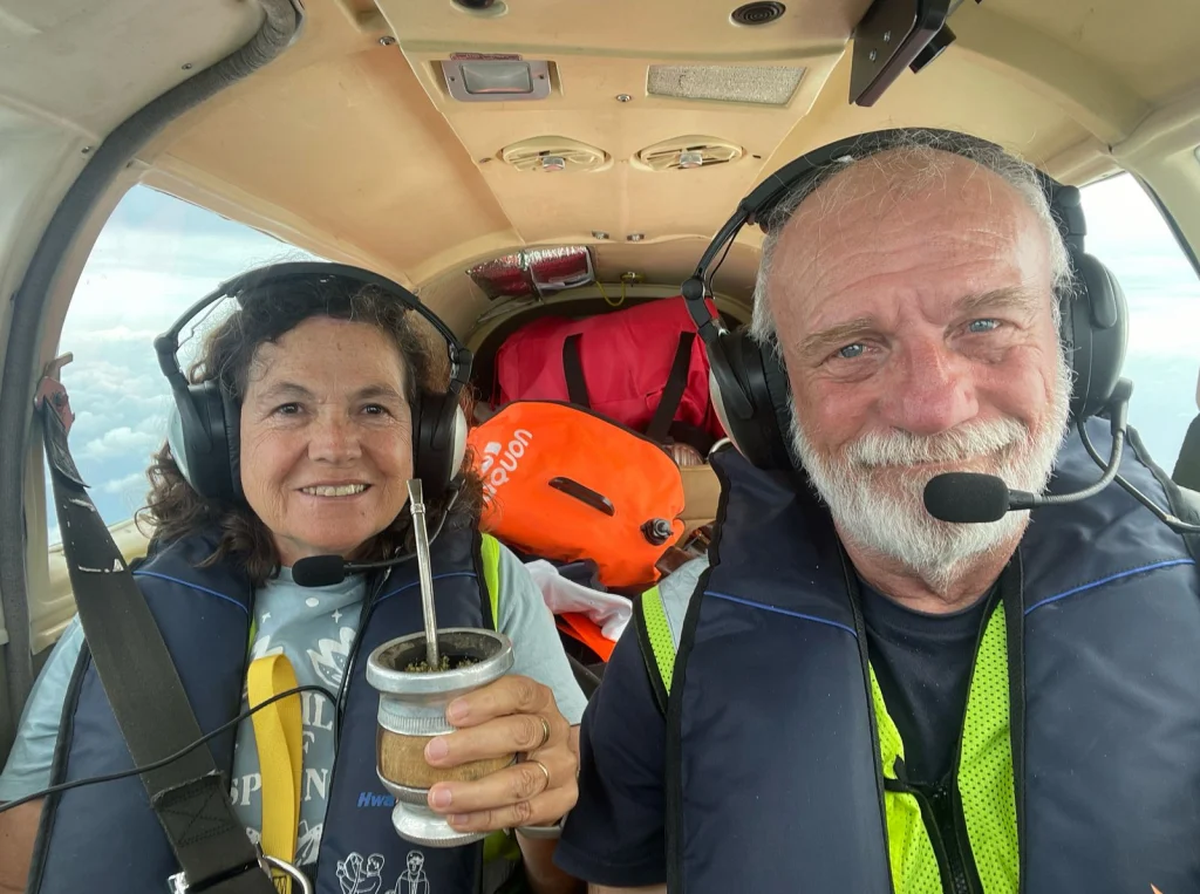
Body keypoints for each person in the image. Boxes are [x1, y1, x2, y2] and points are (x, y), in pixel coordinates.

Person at [553, 129, 1200, 893]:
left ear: (1076, 348)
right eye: (854, 348)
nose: (932, 405)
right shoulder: (674, 643)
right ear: (766, 400)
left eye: (984, 323)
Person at [0, 265, 588, 894]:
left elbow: (566, 883)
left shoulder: (493, 584)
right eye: (289, 407)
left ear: (427, 437)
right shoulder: (126, 618)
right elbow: (18, 866)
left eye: (373, 407)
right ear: (219, 438)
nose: (335, 445)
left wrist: (546, 814)